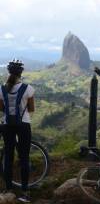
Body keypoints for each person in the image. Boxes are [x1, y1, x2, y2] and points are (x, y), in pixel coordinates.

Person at [0, 59, 35, 203]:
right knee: (24, 157)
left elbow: (1, 108)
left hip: (7, 125)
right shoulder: (28, 89)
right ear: (21, 73)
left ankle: (9, 188)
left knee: (8, 156)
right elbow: (32, 109)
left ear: (9, 72)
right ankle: (25, 191)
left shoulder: (2, 89)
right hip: (23, 125)